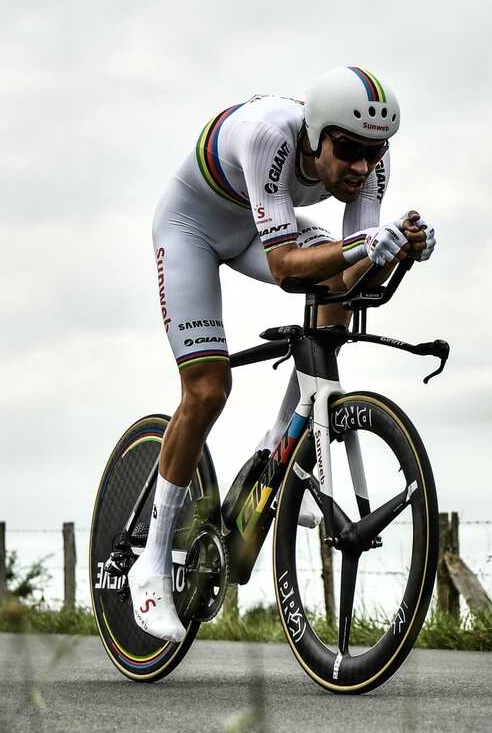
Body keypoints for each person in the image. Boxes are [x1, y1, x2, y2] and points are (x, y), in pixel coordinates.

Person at [132, 66, 437, 641]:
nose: (361, 168)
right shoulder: (270, 136)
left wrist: (399, 251)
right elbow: (283, 268)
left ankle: (278, 446)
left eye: (374, 154)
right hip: (192, 227)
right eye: (347, 151)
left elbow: (354, 273)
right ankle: (150, 565)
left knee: (338, 295)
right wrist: (367, 247)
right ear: (317, 135)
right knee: (208, 389)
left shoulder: (369, 163)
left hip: (259, 224)